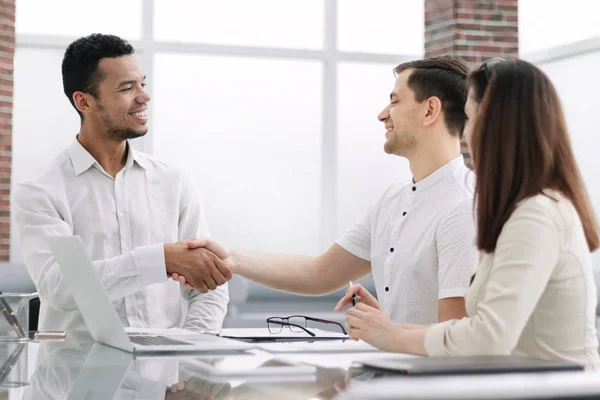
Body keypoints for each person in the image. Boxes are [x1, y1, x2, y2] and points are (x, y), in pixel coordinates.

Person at [177, 56, 479, 324]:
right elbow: (320, 273)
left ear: (430, 110)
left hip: (427, 385)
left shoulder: (463, 205)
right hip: (390, 374)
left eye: (395, 101)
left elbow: (455, 337)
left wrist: (385, 329)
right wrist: (231, 258)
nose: (383, 114)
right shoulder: (393, 199)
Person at [338, 58, 600, 367]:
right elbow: (477, 330)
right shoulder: (527, 210)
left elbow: (488, 338)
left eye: (471, 118)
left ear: (497, 126)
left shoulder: (536, 216)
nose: (467, 133)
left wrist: (392, 335)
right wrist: (386, 327)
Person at [14, 33, 231, 333]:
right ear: (84, 101)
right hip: (76, 373)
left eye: (142, 84)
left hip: (164, 376)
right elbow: (61, 287)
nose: (144, 96)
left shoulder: (173, 181)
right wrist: (162, 258)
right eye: (127, 88)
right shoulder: (41, 190)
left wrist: (192, 348)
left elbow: (211, 283)